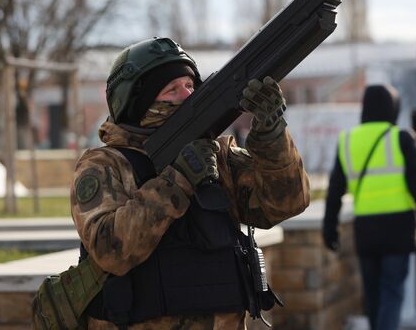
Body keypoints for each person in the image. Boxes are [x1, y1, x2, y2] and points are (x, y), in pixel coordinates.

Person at [70, 37, 310, 329]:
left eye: (189, 86)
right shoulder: (105, 165)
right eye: (172, 89)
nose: (187, 96)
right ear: (138, 103)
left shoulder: (216, 154)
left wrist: (272, 138)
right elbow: (110, 251)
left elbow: (285, 203)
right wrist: (177, 181)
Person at [322, 84, 416, 330]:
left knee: (374, 296)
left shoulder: (347, 141)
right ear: (392, 107)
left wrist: (329, 229)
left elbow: (334, 191)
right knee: (392, 293)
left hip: (366, 229)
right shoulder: (402, 137)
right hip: (399, 228)